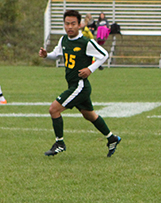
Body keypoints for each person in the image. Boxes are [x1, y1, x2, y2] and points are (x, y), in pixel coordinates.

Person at [38, 10, 121, 157]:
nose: (70, 27)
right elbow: (56, 54)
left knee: (54, 110)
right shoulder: (64, 40)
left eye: (73, 24)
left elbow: (104, 55)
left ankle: (60, 143)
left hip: (80, 86)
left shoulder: (85, 42)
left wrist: (90, 69)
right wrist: (46, 55)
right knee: (90, 116)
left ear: (79, 25)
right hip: (73, 85)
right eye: (67, 23)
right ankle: (112, 138)